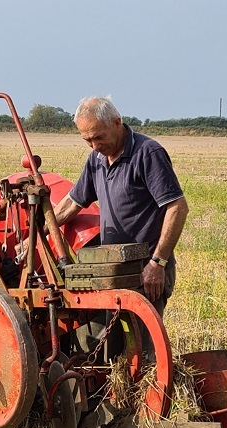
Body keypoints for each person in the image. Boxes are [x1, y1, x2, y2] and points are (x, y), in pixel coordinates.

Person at [53, 96, 189, 315]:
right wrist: (39, 228)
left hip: (144, 269)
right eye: (88, 140)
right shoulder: (96, 159)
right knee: (110, 344)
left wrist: (157, 263)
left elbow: (177, 207)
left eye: (99, 137)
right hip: (112, 270)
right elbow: (72, 202)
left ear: (117, 123)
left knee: (144, 346)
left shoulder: (147, 153)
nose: (95, 146)